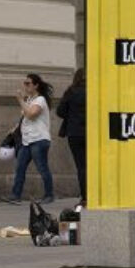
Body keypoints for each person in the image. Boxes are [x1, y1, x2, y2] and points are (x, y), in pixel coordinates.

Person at [2, 73, 54, 204]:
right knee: (20, 167)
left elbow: (31, 114)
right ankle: (15, 195)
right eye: (24, 83)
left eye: (28, 83)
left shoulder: (40, 100)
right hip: (26, 140)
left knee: (42, 168)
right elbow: (26, 118)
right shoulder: (29, 100)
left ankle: (49, 194)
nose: (25, 86)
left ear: (36, 85)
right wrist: (16, 128)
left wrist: (20, 100)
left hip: (39, 139)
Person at [57, 68, 87, 207]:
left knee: (81, 166)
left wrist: (73, 115)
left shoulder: (71, 91)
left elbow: (60, 111)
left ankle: (85, 196)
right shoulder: (96, 90)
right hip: (92, 133)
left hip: (74, 133)